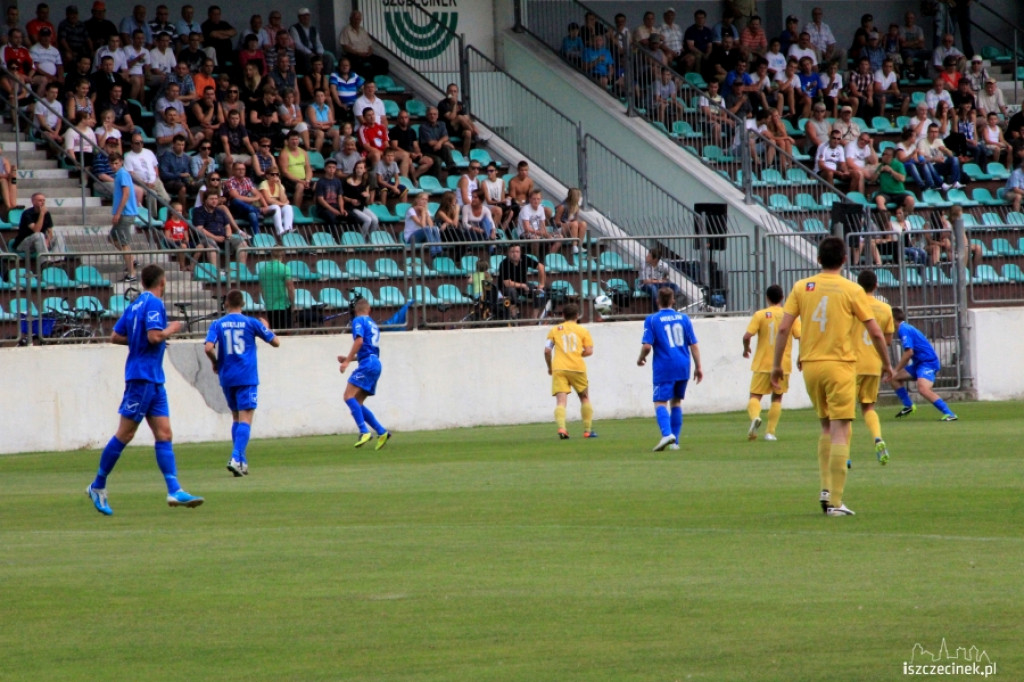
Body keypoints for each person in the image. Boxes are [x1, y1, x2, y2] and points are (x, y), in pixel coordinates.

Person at [771, 236, 892, 517]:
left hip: (811, 366)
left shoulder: (802, 287)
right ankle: (836, 502)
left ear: (818, 259)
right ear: (844, 260)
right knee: (841, 429)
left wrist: (778, 364)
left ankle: (826, 488)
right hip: (840, 365)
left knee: (826, 427)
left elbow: (783, 329)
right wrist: (887, 364)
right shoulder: (852, 290)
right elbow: (875, 332)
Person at [86, 263, 205, 516]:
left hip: (153, 379)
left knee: (164, 433)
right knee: (125, 434)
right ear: (162, 283)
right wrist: (171, 329)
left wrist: (139, 337)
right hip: (141, 378)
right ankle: (97, 485)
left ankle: (174, 489)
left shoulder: (135, 304)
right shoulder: (154, 304)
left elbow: (116, 336)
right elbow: (153, 337)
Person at [204, 288, 280, 477]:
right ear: (243, 304)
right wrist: (267, 327)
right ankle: (236, 457)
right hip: (246, 376)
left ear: (226, 304)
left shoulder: (217, 324)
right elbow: (276, 342)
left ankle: (242, 461)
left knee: (237, 418)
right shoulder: (251, 323)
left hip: (227, 377)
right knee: (246, 418)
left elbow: (207, 348)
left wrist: (216, 363)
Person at [637, 286, 702, 452]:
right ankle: (675, 442)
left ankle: (667, 434)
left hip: (664, 366)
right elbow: (693, 344)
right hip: (683, 365)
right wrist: (698, 367)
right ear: (673, 300)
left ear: (657, 300)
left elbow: (646, 347)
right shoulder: (684, 318)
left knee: (660, 401)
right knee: (676, 402)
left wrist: (641, 358)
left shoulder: (652, 320)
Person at [743, 284, 800, 442]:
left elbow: (747, 336)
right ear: (782, 298)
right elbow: (801, 337)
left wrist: (746, 349)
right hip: (783, 365)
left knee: (755, 396)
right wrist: (801, 355)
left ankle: (755, 417)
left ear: (767, 298)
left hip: (763, 363)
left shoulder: (760, 315)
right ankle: (770, 432)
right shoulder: (790, 316)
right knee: (777, 397)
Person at [853, 270, 895, 466]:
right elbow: (886, 341)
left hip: (850, 363)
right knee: (868, 406)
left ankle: (843, 455)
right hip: (873, 364)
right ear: (876, 285)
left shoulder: (852, 305)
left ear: (858, 285)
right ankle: (877, 438)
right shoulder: (885, 309)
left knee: (843, 412)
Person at [338, 296, 390, 449]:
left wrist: (347, 361)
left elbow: (359, 341)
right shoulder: (373, 324)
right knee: (358, 403)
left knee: (348, 396)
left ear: (356, 311)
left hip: (367, 364)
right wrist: (350, 358)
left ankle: (364, 431)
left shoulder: (358, 321)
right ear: (370, 310)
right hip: (375, 363)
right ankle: (382, 431)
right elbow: (368, 349)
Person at [891, 307, 957, 421]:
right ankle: (909, 406)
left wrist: (895, 369)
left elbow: (909, 353)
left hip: (928, 363)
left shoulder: (903, 329)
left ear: (892, 319)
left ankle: (950, 413)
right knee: (893, 378)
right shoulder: (905, 328)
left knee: (923, 389)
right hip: (919, 364)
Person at [544, 303, 596, 440]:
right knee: (584, 398)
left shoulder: (555, 330)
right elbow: (589, 351)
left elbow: (547, 351)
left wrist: (549, 367)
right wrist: (578, 354)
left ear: (563, 315)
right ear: (577, 316)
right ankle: (587, 430)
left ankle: (562, 428)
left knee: (561, 401)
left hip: (559, 368)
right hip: (577, 368)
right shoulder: (583, 331)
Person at [108, 151, 137, 282]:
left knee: (124, 242)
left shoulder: (123, 174)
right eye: (112, 163)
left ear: (121, 162)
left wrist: (118, 213)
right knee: (112, 237)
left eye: (116, 163)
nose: (114, 166)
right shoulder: (119, 174)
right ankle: (132, 259)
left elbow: (126, 194)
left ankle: (132, 273)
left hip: (125, 213)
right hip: (123, 213)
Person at [12, 191, 53, 261]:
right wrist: (42, 214)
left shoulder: (47, 214)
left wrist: (47, 241)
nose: (42, 202)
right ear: (33, 202)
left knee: (59, 239)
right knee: (39, 235)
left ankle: (56, 260)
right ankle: (45, 262)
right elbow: (36, 230)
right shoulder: (27, 213)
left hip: (40, 242)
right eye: (40, 200)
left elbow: (50, 232)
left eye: (43, 200)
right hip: (24, 244)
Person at [162, 199, 190, 270]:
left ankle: (184, 265)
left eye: (180, 211)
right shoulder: (169, 223)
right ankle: (182, 266)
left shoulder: (184, 223)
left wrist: (186, 240)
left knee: (185, 245)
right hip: (172, 242)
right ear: (172, 211)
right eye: (177, 210)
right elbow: (167, 237)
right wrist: (177, 240)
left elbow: (186, 237)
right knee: (183, 246)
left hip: (182, 242)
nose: (179, 212)